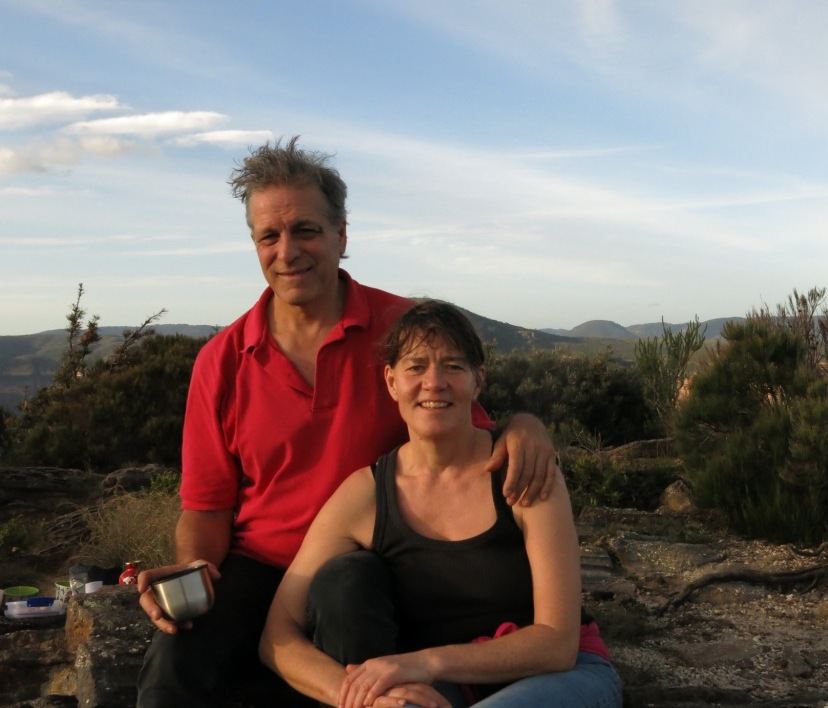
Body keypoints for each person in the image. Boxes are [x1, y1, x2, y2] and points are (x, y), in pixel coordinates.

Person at [135, 138, 560, 707]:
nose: (288, 251)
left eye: (305, 230)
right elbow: (207, 506)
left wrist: (525, 425)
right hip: (261, 569)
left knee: (348, 584)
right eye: (269, 236)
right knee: (174, 665)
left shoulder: (400, 327)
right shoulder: (223, 360)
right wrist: (193, 572)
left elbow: (462, 423)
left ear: (341, 235)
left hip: (374, 563)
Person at [259, 300, 623, 707]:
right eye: (416, 366)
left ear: (477, 381)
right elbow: (278, 634)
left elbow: (557, 643)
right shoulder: (365, 495)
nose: (434, 382)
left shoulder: (523, 473)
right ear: (392, 381)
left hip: (560, 675)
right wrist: (358, 695)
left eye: (453, 366)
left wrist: (424, 663)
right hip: (443, 689)